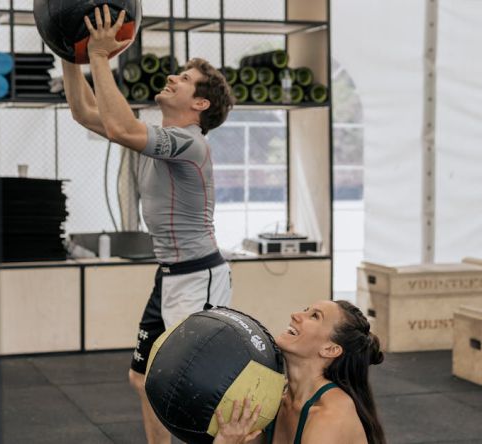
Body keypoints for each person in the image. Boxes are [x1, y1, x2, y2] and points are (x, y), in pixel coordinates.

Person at [61, 6, 235, 444]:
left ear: (200, 104)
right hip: (170, 276)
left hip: (199, 279)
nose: (172, 78)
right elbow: (84, 112)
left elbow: (119, 127)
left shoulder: (189, 144)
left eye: (185, 79)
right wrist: (68, 50)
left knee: (195, 391)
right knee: (142, 379)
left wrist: (99, 56)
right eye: (176, 73)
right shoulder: (158, 139)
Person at [213, 300, 387, 444]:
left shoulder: (329, 419)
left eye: (314, 316)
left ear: (330, 349)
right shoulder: (278, 398)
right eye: (306, 310)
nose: (295, 315)